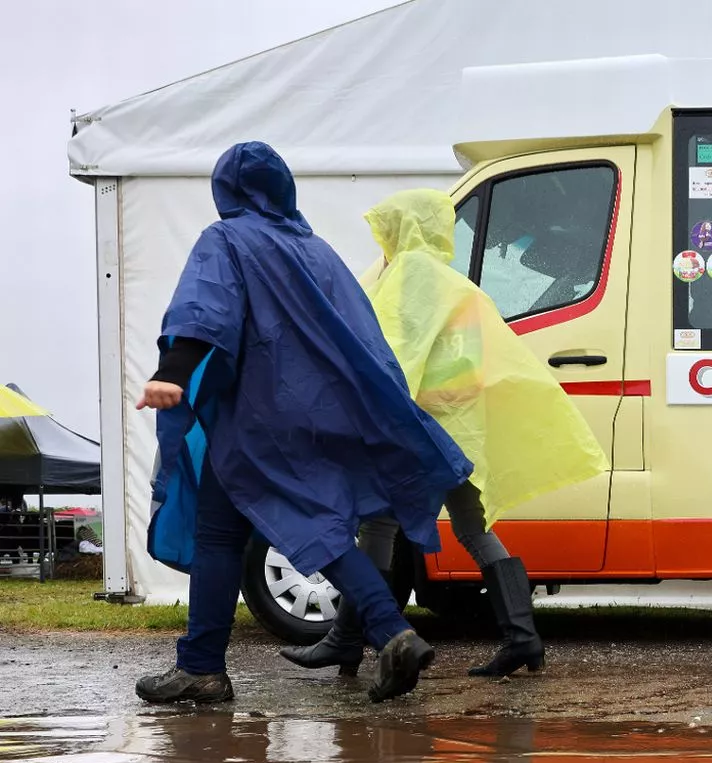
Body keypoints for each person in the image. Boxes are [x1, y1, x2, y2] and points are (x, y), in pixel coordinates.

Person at [136, 143, 473, 705]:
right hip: (318, 415)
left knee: (236, 536)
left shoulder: (227, 239)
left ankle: (206, 666)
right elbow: (364, 336)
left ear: (227, 192)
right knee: (307, 526)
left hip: (258, 420)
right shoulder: (317, 250)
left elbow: (207, 307)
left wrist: (173, 371)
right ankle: (392, 633)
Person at [281, 188, 607, 679]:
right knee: (474, 530)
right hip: (459, 428)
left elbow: (391, 352)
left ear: (404, 229)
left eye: (387, 229)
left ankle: (346, 639)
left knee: (378, 526)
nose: (383, 240)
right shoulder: (456, 284)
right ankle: (523, 638)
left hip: (420, 428)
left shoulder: (411, 277)